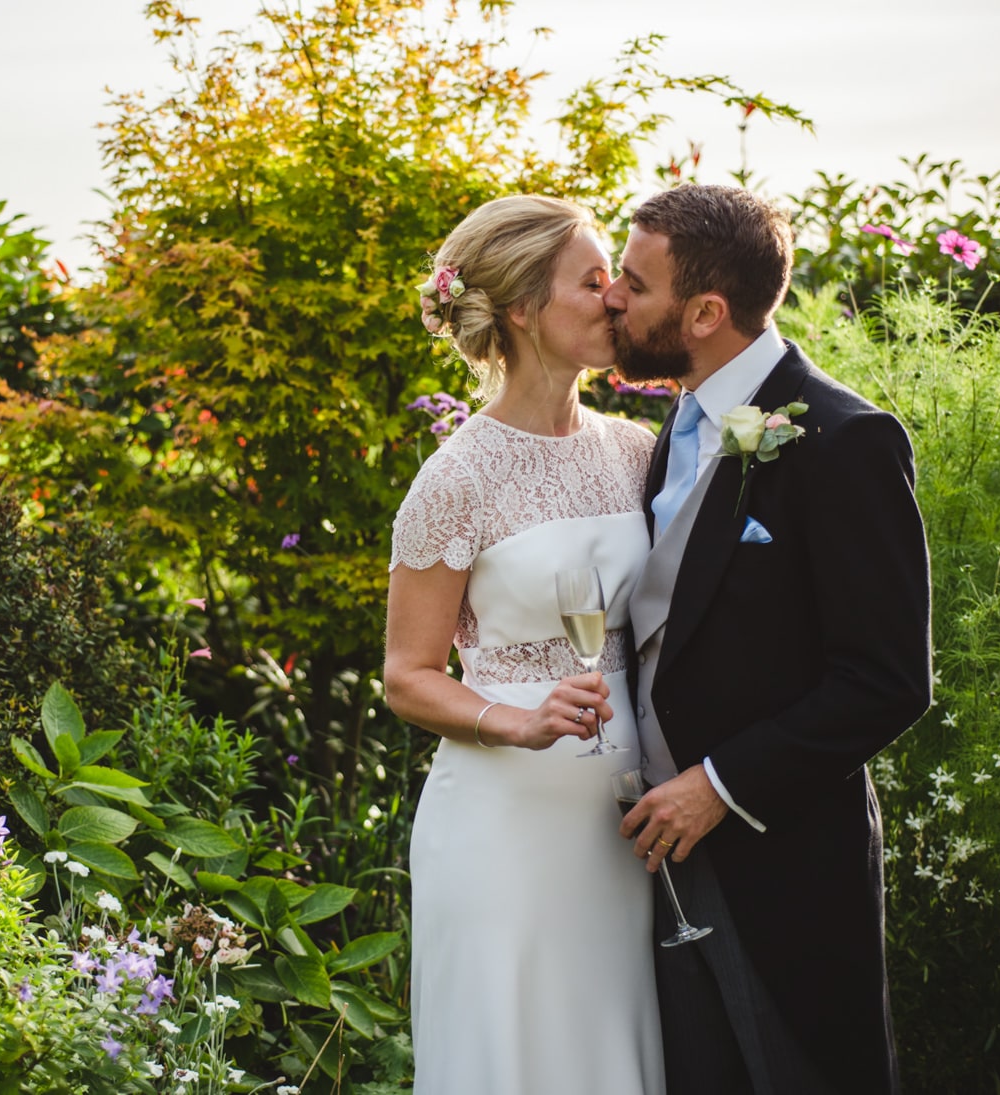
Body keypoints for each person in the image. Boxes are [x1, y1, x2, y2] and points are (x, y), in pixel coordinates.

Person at [606, 184, 933, 1094]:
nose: (612, 297)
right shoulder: (671, 423)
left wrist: (717, 786)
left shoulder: (844, 438)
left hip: (780, 858)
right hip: (651, 859)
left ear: (705, 313)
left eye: (634, 283)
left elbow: (887, 677)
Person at [384, 194, 664, 1095]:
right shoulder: (454, 477)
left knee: (611, 1053)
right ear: (519, 310)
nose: (616, 298)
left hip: (622, 820)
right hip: (503, 827)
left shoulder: (636, 451)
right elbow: (407, 676)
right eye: (591, 282)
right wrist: (513, 720)